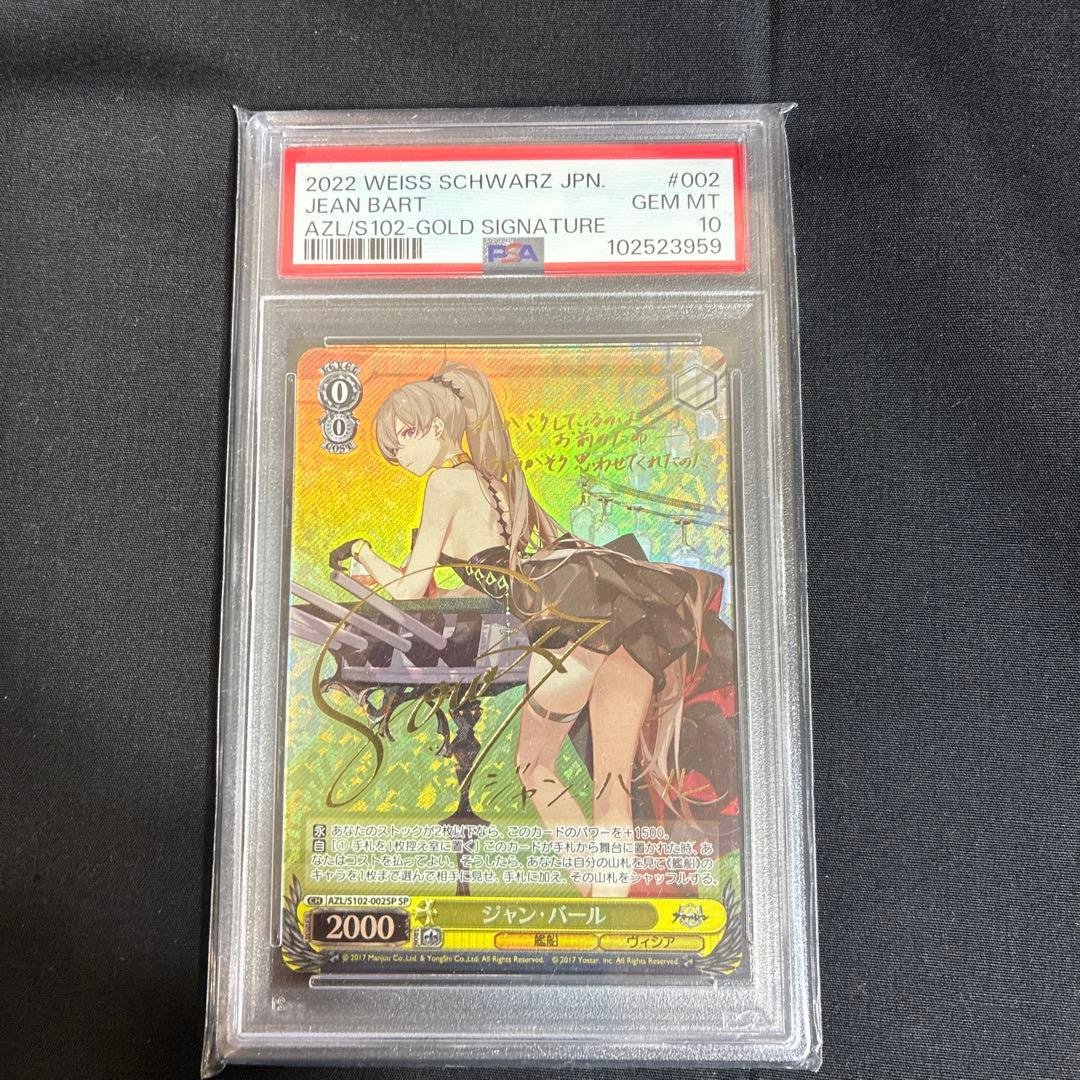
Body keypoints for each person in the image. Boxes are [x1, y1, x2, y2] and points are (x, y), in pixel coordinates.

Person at [334, 362, 736, 897]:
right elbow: (477, 579)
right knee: (612, 785)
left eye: (403, 436)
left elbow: (410, 590)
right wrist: (378, 564)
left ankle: (595, 896)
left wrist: (362, 556)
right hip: (619, 619)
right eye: (392, 448)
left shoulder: (443, 484)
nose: (399, 454)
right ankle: (613, 913)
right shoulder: (496, 484)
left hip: (566, 633)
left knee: (534, 766)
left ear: (437, 426)